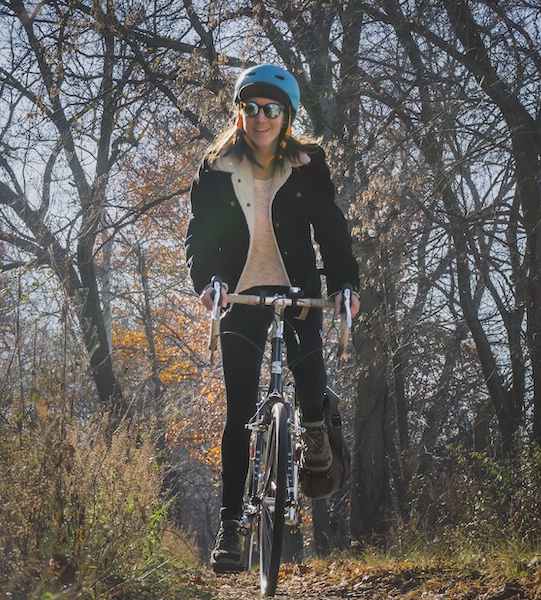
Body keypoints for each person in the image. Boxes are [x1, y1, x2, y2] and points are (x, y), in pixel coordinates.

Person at [184, 64, 361, 573]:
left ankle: (313, 429)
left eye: (272, 109)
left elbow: (331, 229)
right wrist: (209, 282)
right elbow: (200, 236)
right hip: (239, 295)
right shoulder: (215, 167)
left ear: (286, 116)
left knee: (310, 374)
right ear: (240, 113)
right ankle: (231, 527)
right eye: (252, 107)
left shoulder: (308, 164)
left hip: (298, 291)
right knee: (239, 409)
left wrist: (345, 285)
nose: (261, 117)